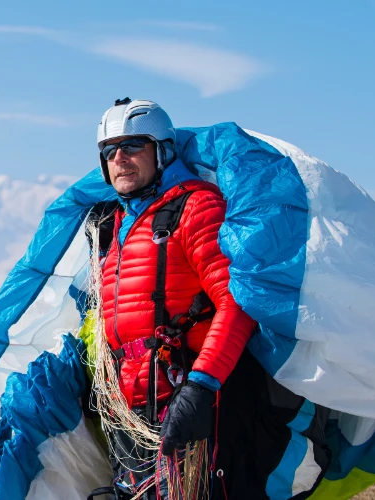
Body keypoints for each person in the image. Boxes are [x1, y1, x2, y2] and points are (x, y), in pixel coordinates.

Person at [89, 98, 257, 499]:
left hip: (184, 400)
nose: (120, 159)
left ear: (162, 150)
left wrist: (202, 387)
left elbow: (238, 302)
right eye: (110, 151)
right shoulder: (113, 225)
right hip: (127, 410)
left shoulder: (195, 208)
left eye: (132, 146)